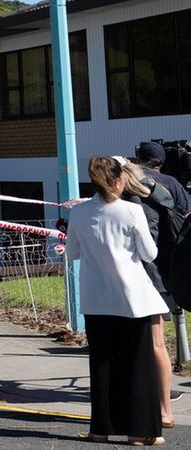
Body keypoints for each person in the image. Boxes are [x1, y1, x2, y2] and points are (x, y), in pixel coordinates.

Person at [66, 156, 167, 446]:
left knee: (102, 365)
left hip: (96, 298)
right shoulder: (131, 211)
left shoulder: (79, 213)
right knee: (138, 365)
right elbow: (150, 254)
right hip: (132, 298)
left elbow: (72, 252)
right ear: (120, 180)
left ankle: (101, 428)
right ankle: (140, 431)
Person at [121, 159, 180, 430]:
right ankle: (164, 409)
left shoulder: (131, 206)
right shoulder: (159, 194)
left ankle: (154, 408)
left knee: (144, 345)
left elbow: (143, 250)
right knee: (157, 345)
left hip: (142, 279)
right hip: (163, 278)